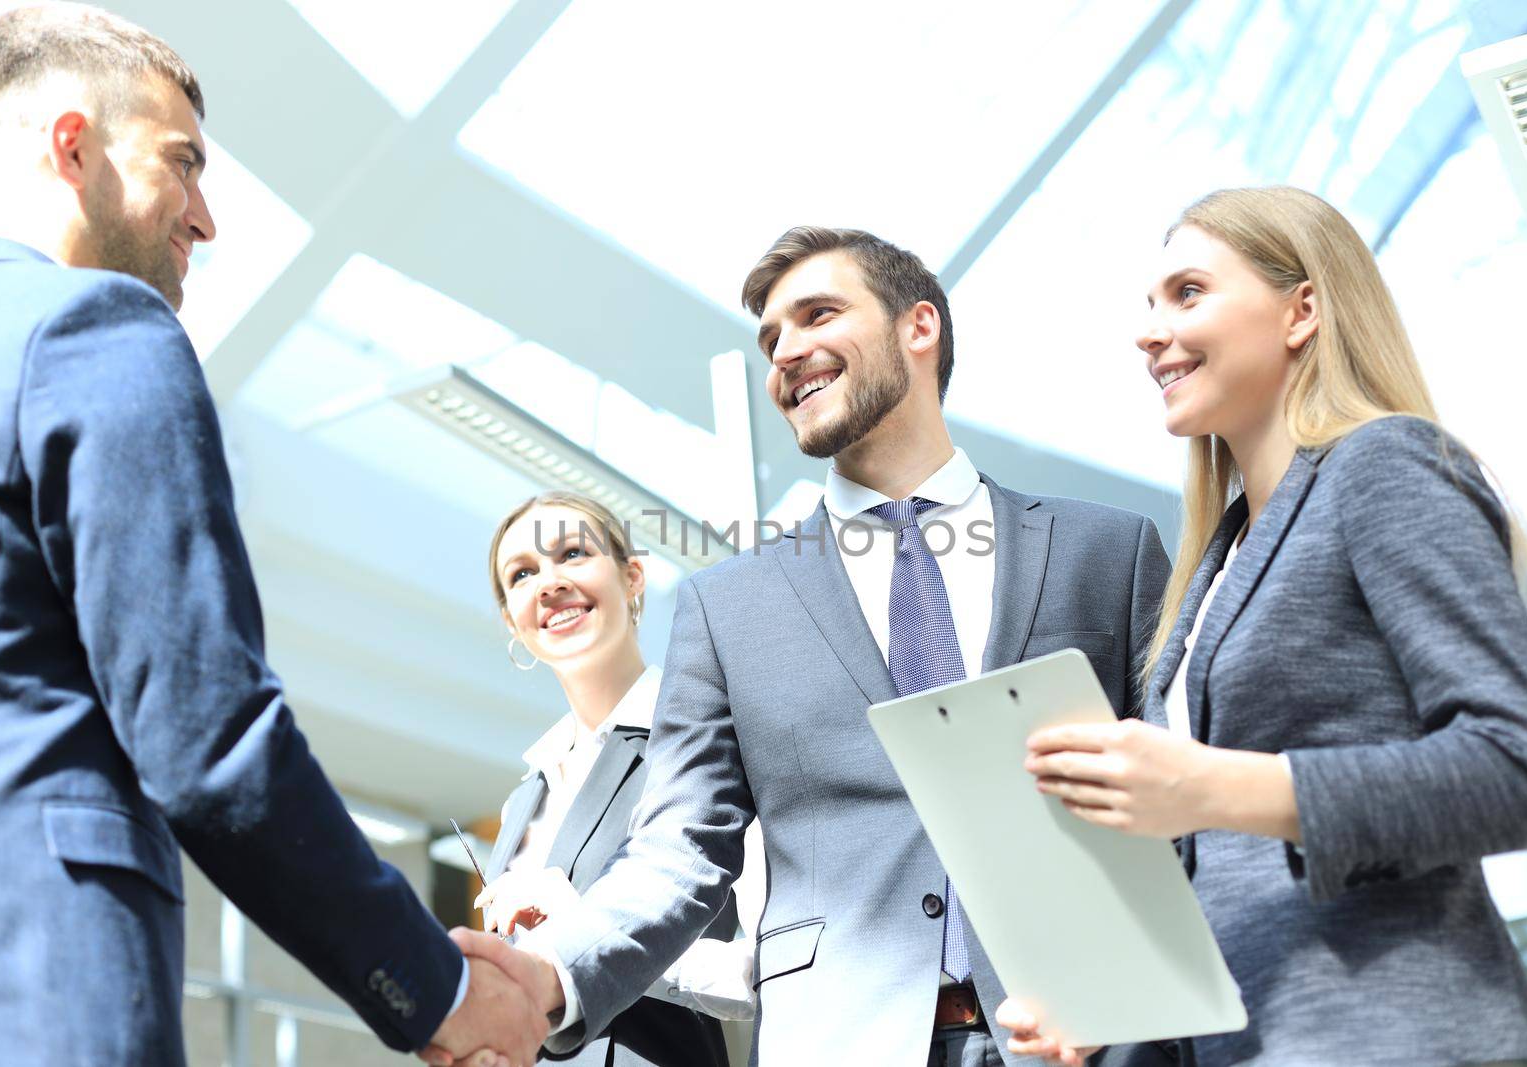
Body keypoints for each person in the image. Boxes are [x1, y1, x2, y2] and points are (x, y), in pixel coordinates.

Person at [0, 6, 542, 1064]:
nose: (207, 216)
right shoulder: (91, 326)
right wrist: (443, 990)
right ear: (72, 144)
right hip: (34, 990)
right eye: (182, 161)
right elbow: (208, 740)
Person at [454, 226, 1172, 1067]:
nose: (787, 351)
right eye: (770, 339)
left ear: (920, 326)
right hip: (841, 1042)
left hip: (1087, 1038)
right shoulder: (728, 608)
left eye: (817, 314)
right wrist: (548, 977)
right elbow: (680, 848)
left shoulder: (1108, 553)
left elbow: (1180, 805)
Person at [1011, 186, 1527, 1067]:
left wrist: (1214, 787)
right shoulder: (1213, 564)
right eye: (1149, 305)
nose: (1148, 332)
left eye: (1188, 293)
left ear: (1302, 309)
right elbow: (1220, 872)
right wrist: (1110, 1009)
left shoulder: (1384, 465)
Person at [472, 490, 766, 1067]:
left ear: (633, 577)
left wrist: (585, 936)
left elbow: (767, 972)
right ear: (513, 620)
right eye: (523, 574)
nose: (549, 582)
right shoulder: (523, 800)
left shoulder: (711, 743)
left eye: (573, 555)